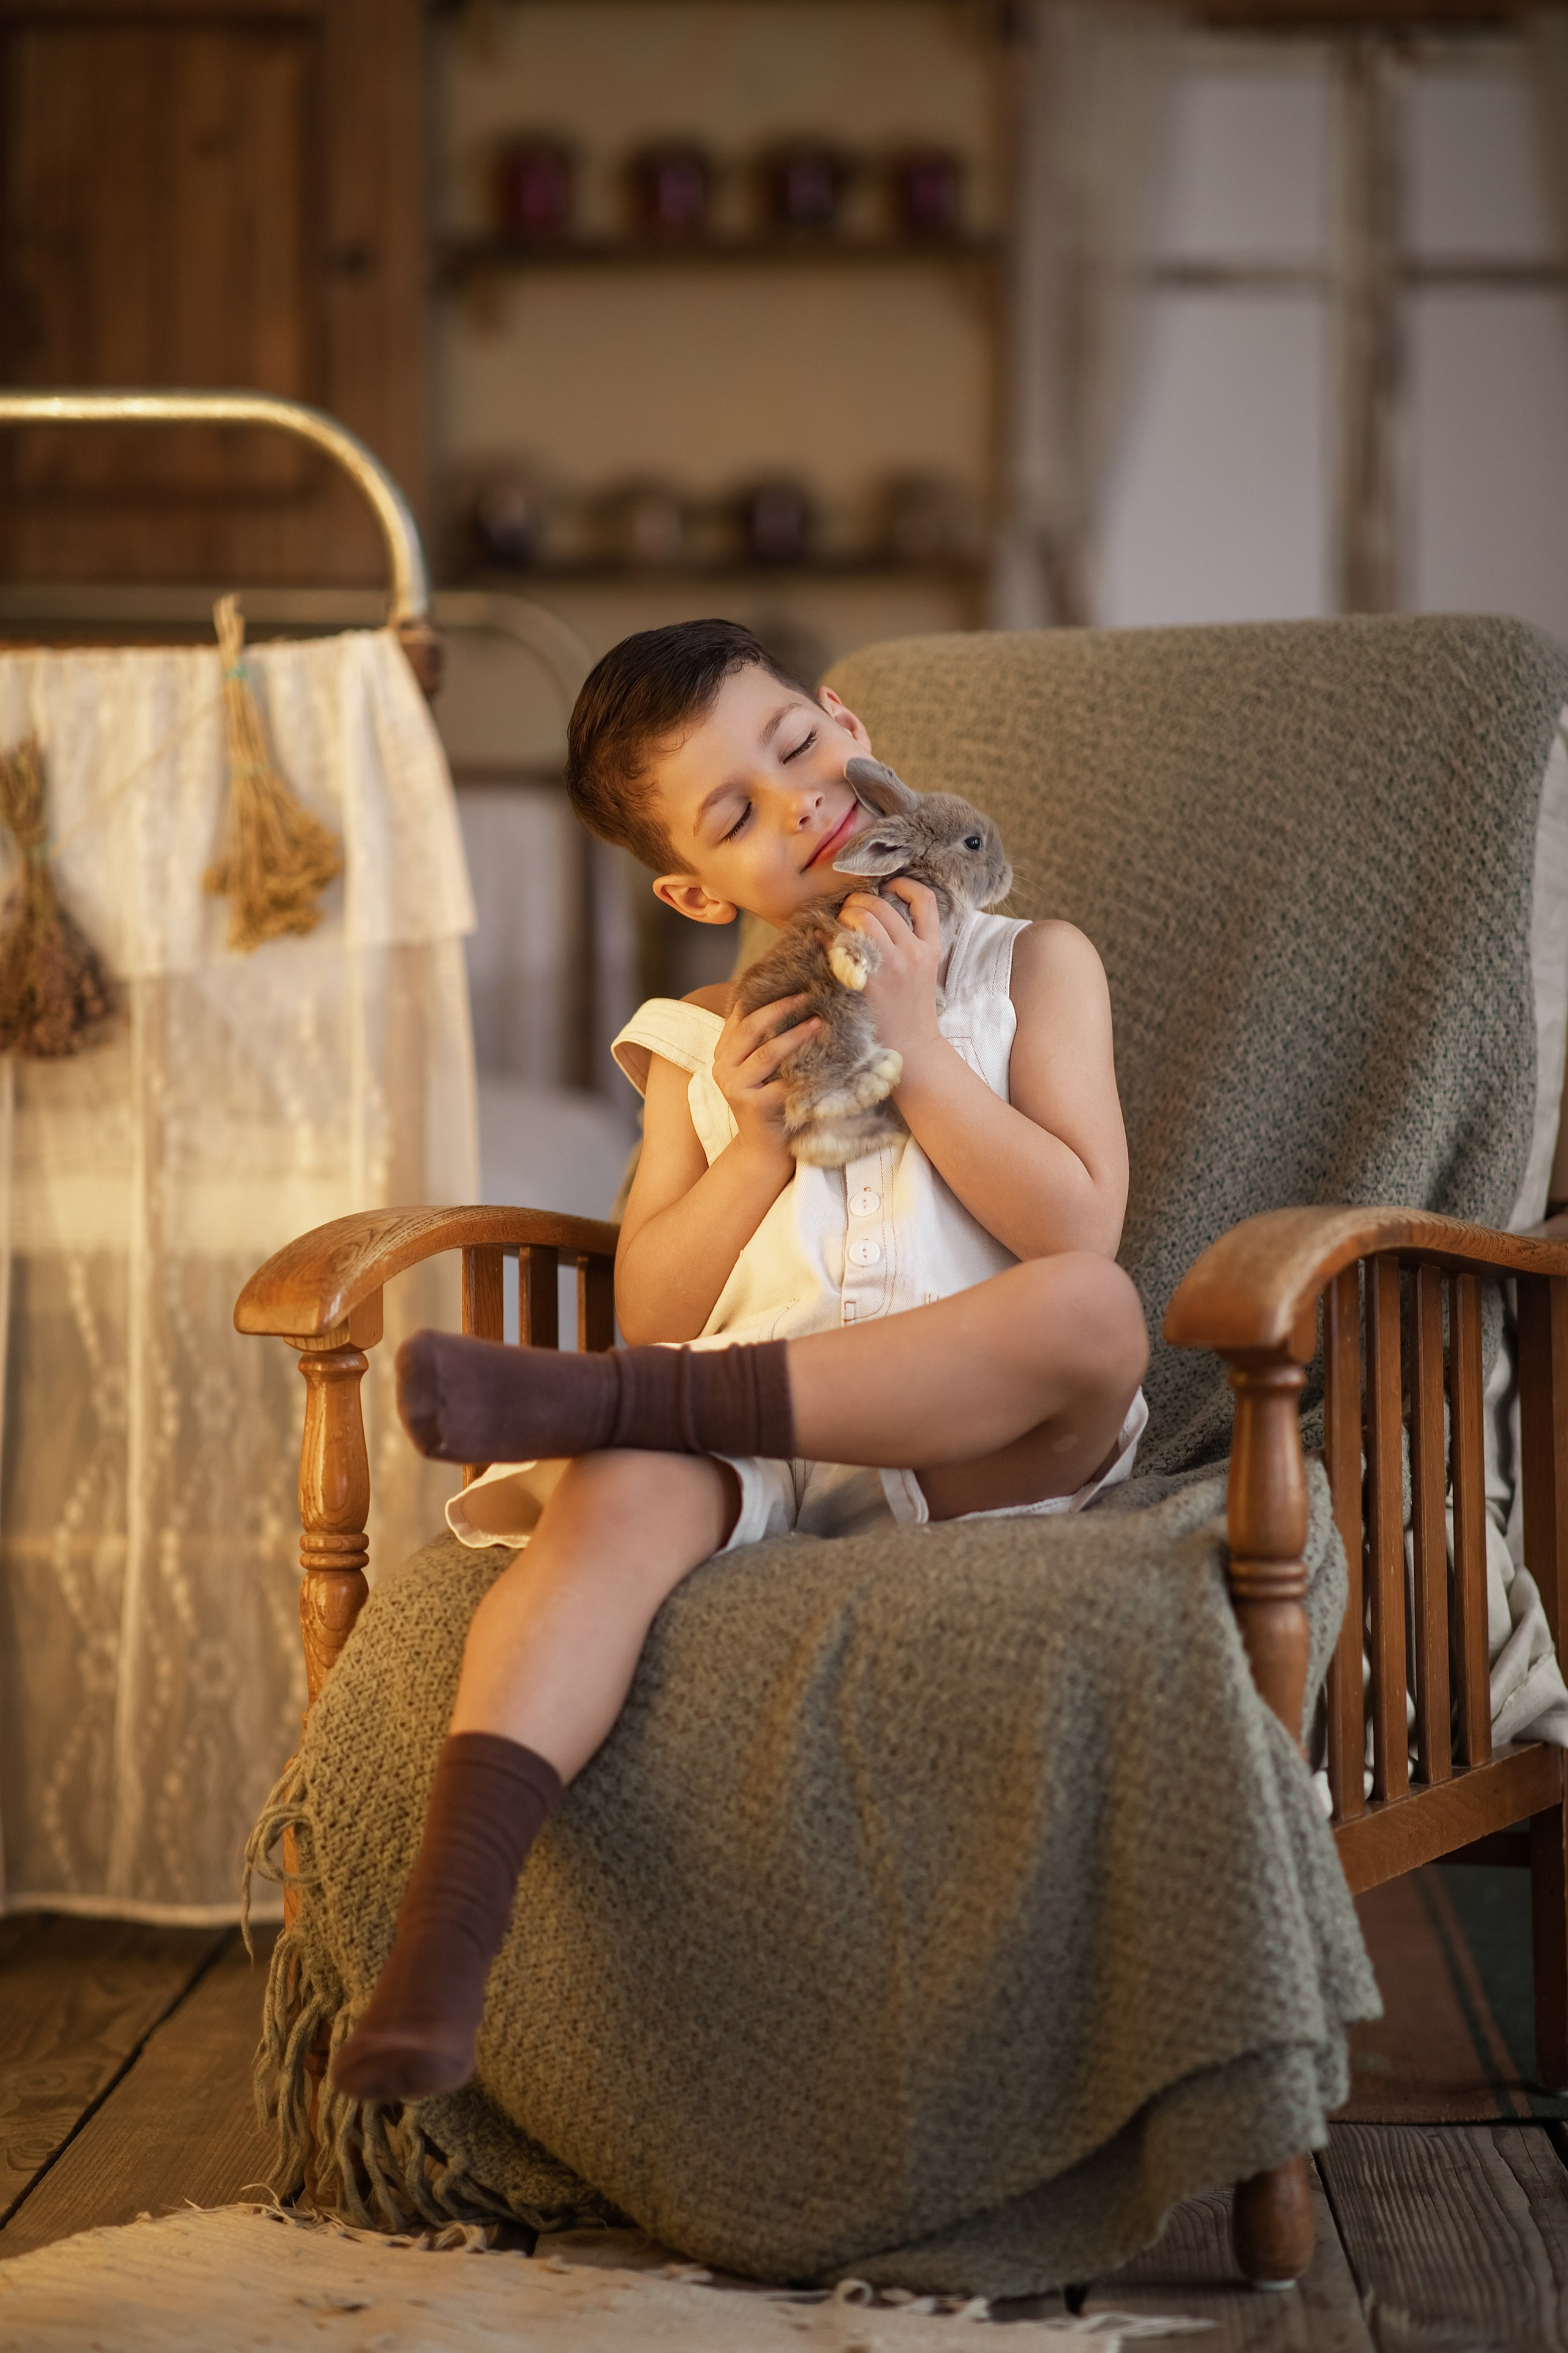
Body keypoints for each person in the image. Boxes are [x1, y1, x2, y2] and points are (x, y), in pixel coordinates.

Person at [333, 620, 1149, 2105]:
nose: (796, 806)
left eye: (793, 750)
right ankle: (440, 1954)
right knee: (610, 1509)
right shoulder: (703, 1037)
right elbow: (654, 1293)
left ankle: (612, 1414)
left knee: (1094, 1310)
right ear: (692, 890)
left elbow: (1075, 1218)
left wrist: (920, 1043)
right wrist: (752, 1143)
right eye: (732, 817)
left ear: (840, 717)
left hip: (980, 1444)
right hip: (761, 1430)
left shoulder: (1032, 965)